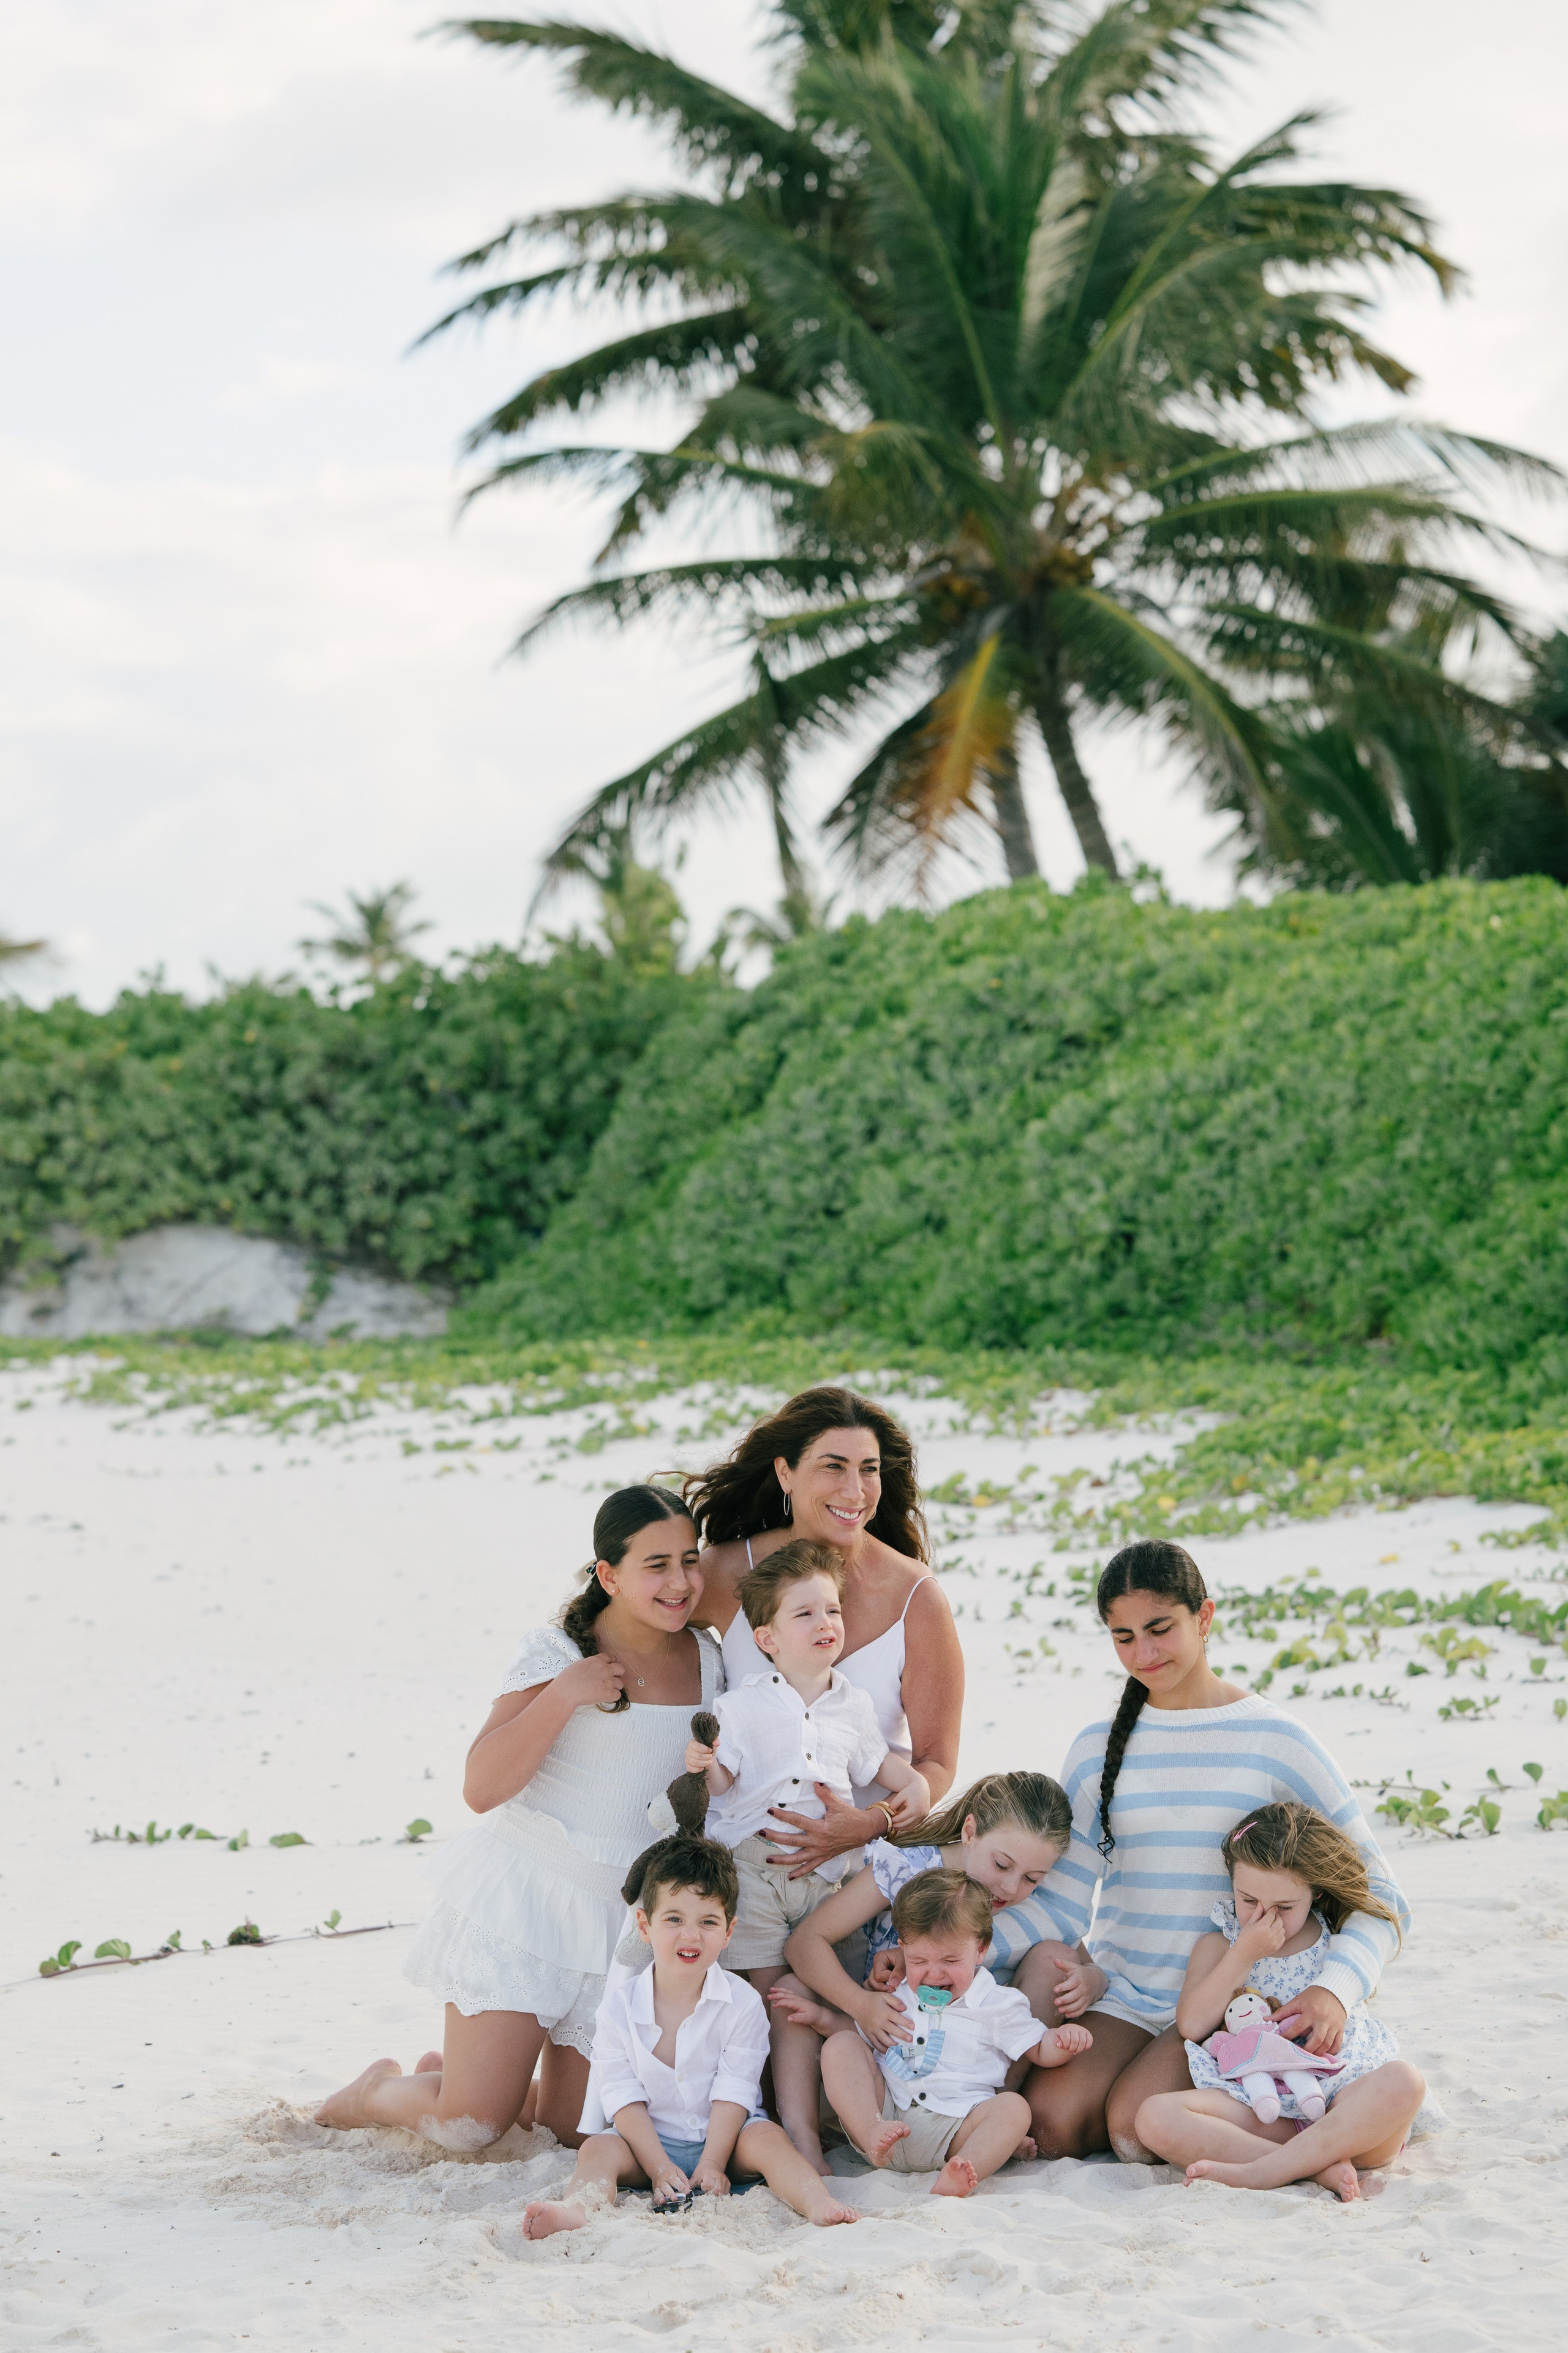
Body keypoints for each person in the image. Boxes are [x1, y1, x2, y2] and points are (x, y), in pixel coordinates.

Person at [313, 1486, 718, 2150]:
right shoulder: (557, 1651)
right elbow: (481, 1786)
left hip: (621, 1924)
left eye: (689, 1560)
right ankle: (377, 2089)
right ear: (609, 1575)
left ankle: (463, 2074)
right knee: (469, 2126)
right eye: (656, 1565)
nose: (679, 1582)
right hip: (530, 1904)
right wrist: (564, 1694)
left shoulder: (712, 1659)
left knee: (569, 2130)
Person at [1000, 1540, 1410, 2165]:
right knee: (1051, 2126)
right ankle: (1314, 2141)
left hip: (1237, 2000)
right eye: (1123, 1637)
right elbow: (1056, 1904)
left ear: (1205, 1617)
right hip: (1126, 1992)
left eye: (1160, 1629)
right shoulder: (1093, 1751)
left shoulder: (1274, 1739)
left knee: (1132, 2131)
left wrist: (1335, 1989)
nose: (1144, 1653)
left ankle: (1314, 2144)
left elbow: (1380, 1892)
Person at [685, 1386, 963, 1889]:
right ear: (785, 1473)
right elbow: (636, 1616)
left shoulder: (917, 1598)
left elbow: (937, 1762)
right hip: (739, 1873)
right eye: (833, 1466)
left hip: (857, 1875)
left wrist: (871, 1822)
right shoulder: (729, 1571)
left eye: (869, 1469)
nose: (855, 1490)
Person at [521, 1835, 858, 2236]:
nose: (691, 1936)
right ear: (645, 1925)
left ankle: (817, 2201)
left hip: (726, 2141)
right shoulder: (619, 2007)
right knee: (598, 2147)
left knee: (769, 2136)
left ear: (729, 1931)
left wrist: (714, 2162)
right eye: (674, 1919)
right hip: (644, 2145)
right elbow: (622, 2096)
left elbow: (735, 2088)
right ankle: (578, 2207)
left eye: (708, 1922)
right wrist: (659, 2166)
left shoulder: (742, 2003)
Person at [773, 1770, 1099, 2166]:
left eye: (1032, 1877)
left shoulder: (1029, 1900)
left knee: (1053, 1959)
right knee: (790, 1989)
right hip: (881, 2047)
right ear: (970, 1830)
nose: (1010, 1889)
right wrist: (861, 2004)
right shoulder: (909, 1868)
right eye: (1001, 1864)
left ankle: (982, 2118)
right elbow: (804, 1943)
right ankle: (804, 2138)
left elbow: (1077, 1952)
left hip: (964, 2061)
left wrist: (1093, 1977)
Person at [1136, 1801, 1426, 2199]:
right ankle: (1308, 2166)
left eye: (1285, 1907)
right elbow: (1192, 2024)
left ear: (1316, 1892)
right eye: (1249, 1900)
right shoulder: (1219, 1945)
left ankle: (1268, 2169)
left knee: (1406, 2080)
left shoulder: (1335, 1942)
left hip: (1343, 2112)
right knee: (1154, 2116)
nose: (1263, 1918)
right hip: (1261, 2108)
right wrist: (1243, 1953)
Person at [685, 1537, 930, 1984]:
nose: (825, 1622)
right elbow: (721, 1786)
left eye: (833, 1610)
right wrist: (707, 1765)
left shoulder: (852, 1704)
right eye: (805, 1613)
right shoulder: (742, 1706)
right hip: (756, 1869)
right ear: (767, 1637)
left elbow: (880, 1765)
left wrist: (916, 1786)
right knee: (766, 1992)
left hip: (829, 1875)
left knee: (829, 1986)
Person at [818, 1870, 1093, 2197]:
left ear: (980, 1950)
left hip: (954, 2128)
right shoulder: (898, 1994)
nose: (934, 1973)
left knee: (1013, 2109)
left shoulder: (997, 2005)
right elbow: (861, 2040)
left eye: (950, 1960)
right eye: (919, 1960)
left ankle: (964, 2169)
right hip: (886, 2112)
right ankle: (869, 2132)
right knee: (840, 2045)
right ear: (903, 1949)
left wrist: (1063, 2042)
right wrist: (822, 2017)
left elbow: (1037, 2047)